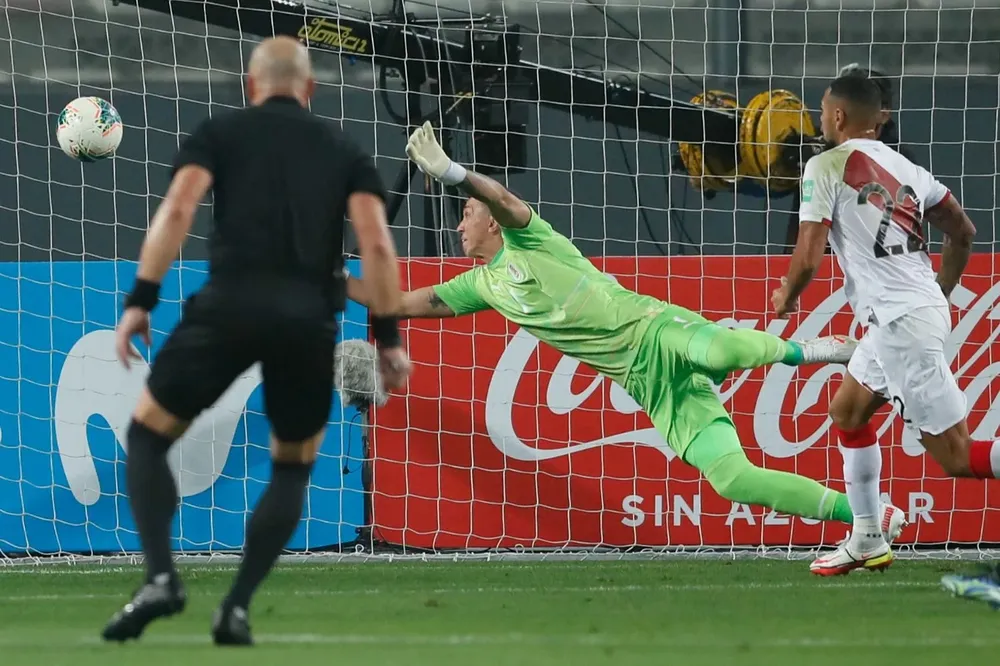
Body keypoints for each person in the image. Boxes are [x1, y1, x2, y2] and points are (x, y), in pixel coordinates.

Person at [349, 121, 910, 551]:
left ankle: (821, 350)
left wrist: (453, 173)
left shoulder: (530, 240)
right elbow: (394, 302)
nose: (458, 222)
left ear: (490, 223)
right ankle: (870, 515)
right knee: (733, 481)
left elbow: (505, 199)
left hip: (655, 330)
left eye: (465, 213)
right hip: (647, 382)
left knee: (720, 349)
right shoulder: (480, 286)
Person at [102, 36, 411, 646]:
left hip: (228, 309)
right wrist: (388, 338)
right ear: (311, 88)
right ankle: (237, 607)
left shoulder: (219, 133)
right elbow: (377, 245)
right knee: (292, 467)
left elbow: (178, 211)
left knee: (146, 435)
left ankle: (162, 577)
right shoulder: (345, 150)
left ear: (250, 85)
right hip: (307, 322)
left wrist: (140, 300)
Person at [774, 74, 980, 576]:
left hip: (901, 322)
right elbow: (964, 232)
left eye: (823, 112)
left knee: (956, 457)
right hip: (900, 318)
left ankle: (868, 533)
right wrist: (938, 295)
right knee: (847, 412)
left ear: (838, 117)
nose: (820, 120)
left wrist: (786, 294)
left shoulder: (824, 165)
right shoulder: (909, 168)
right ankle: (867, 535)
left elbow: (807, 257)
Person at [784, 64, 914, 251]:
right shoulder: (815, 149)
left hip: (869, 266)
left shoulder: (901, 160)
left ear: (883, 115)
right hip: (809, 263)